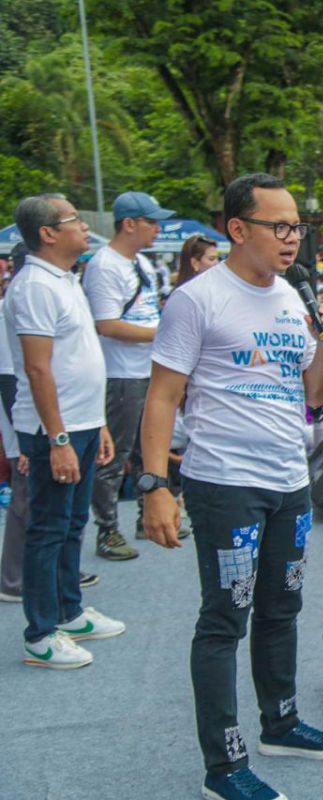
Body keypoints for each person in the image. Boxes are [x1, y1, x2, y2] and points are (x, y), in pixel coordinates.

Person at [141, 174, 323, 800]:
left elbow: (314, 396)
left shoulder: (293, 297)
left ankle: (280, 724)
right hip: (225, 482)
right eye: (279, 226)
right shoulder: (198, 299)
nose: (293, 239)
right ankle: (224, 766)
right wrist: (155, 483)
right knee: (224, 619)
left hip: (290, 478)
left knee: (282, 607)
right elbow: (162, 395)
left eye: (298, 227)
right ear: (238, 229)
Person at [7, 193, 120, 669]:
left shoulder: (65, 279)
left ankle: (69, 612)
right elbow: (37, 370)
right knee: (48, 529)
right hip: (56, 430)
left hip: (83, 422)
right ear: (48, 233)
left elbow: (79, 361)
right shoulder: (34, 286)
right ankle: (40, 633)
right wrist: (57, 441)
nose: (85, 227)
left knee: (74, 523)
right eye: (75, 220)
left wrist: (101, 423)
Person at [83, 191, 175, 561]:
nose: (157, 228)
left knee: (145, 449)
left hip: (145, 368)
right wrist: (162, 334)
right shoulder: (105, 265)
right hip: (121, 372)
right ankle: (107, 530)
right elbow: (106, 324)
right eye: (151, 222)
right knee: (115, 454)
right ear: (129, 224)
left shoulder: (140, 263)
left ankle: (144, 514)